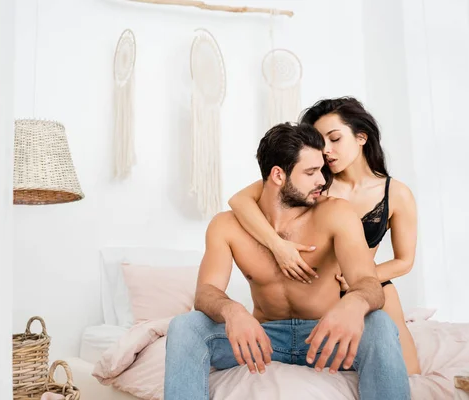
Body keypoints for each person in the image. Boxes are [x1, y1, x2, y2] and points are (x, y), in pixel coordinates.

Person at [164, 123, 410, 400]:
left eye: (322, 170)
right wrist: (232, 311)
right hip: (263, 339)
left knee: (380, 323)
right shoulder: (226, 226)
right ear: (278, 175)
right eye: (310, 172)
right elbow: (206, 292)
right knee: (185, 327)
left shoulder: (336, 213)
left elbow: (368, 282)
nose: (322, 180)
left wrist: (354, 302)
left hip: (326, 336)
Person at [228, 97, 420, 375]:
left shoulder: (396, 193)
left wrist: (363, 278)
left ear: (361, 137)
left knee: (410, 373)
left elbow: (405, 260)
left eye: (335, 139)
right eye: (321, 142)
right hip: (321, 291)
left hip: (369, 284)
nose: (327, 150)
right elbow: (239, 201)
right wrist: (278, 245)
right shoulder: (312, 180)